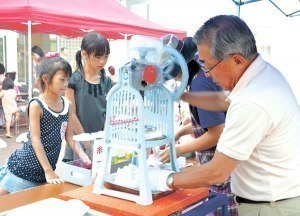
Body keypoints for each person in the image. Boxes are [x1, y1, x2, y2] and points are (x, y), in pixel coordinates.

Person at [149, 15, 300, 216]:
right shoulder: (263, 75)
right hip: (280, 196)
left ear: (236, 59)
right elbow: (220, 102)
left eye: (207, 66)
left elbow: (216, 172)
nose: (207, 74)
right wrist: (181, 95)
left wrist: (162, 179)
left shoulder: (252, 101)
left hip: (271, 206)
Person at [159, 36, 236, 215]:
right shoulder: (203, 77)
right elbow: (208, 123)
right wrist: (180, 132)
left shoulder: (199, 83)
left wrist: (177, 150)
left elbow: (217, 133)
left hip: (222, 170)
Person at [0, 57, 90, 196]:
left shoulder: (68, 105)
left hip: (45, 171)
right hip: (27, 167)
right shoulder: (37, 104)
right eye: (62, 79)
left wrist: (84, 156)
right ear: (46, 78)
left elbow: (70, 138)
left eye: (67, 79)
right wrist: (49, 171)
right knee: (5, 199)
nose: (66, 84)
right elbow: (35, 140)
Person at [63, 32, 113, 162]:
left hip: (100, 146)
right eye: (97, 57)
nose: (102, 61)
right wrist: (88, 145)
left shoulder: (107, 82)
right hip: (77, 147)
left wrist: (101, 142)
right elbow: (71, 115)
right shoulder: (73, 80)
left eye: (106, 56)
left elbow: (109, 114)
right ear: (84, 54)